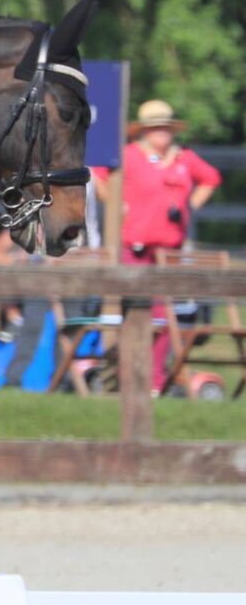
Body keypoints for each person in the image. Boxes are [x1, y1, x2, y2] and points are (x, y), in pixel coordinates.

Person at [92, 99, 222, 395]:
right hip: (135, 249)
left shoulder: (183, 158)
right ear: (145, 131)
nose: (162, 133)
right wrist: (114, 205)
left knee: (164, 318)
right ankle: (121, 378)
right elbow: (98, 177)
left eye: (166, 128)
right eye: (156, 128)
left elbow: (211, 178)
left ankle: (153, 382)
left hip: (169, 253)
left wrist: (191, 206)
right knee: (132, 313)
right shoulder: (129, 155)